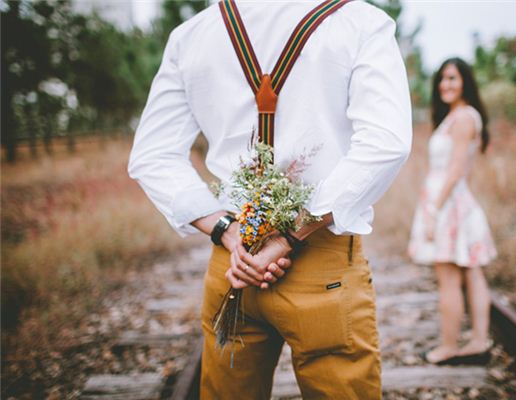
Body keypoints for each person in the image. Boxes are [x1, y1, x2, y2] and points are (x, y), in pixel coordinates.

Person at [128, 0, 412, 398]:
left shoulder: (192, 35)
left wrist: (228, 231)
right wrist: (287, 237)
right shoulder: (359, 22)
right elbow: (386, 143)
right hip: (320, 261)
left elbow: (151, 156)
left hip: (235, 264)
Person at [408, 57, 497, 365]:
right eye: (442, 79)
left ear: (465, 82)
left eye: (452, 78)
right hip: (454, 201)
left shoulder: (462, 119)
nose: (445, 85)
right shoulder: (460, 116)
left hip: (447, 204)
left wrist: (434, 209)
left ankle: (449, 347)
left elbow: (457, 169)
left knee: (449, 277)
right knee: (472, 273)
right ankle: (477, 342)